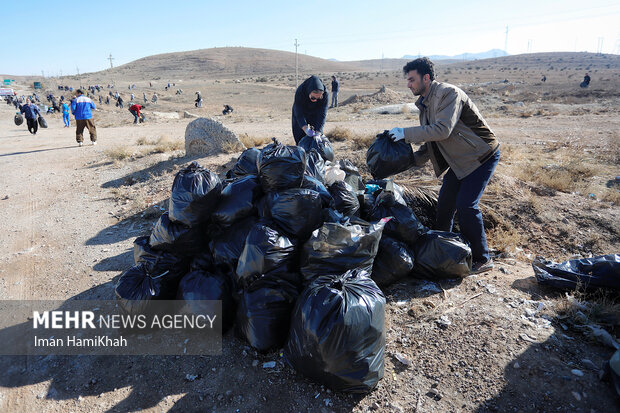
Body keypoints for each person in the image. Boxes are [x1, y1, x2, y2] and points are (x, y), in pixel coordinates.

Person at [388, 57, 500, 274]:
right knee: (445, 204)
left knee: (467, 205)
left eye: (412, 79)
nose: (408, 84)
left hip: (481, 156)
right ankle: (441, 248)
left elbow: (442, 130)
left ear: (426, 78)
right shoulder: (425, 104)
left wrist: (405, 133)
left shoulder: (449, 94)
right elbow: (430, 145)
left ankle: (482, 258)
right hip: (459, 161)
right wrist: (403, 161)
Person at [291, 75, 329, 144]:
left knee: (317, 138)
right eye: (313, 98)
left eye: (319, 98)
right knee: (299, 135)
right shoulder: (300, 91)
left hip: (316, 111)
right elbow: (299, 113)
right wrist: (305, 129)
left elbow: (322, 114)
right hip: (301, 111)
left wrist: (318, 132)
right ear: (309, 92)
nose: (315, 100)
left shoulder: (325, 94)